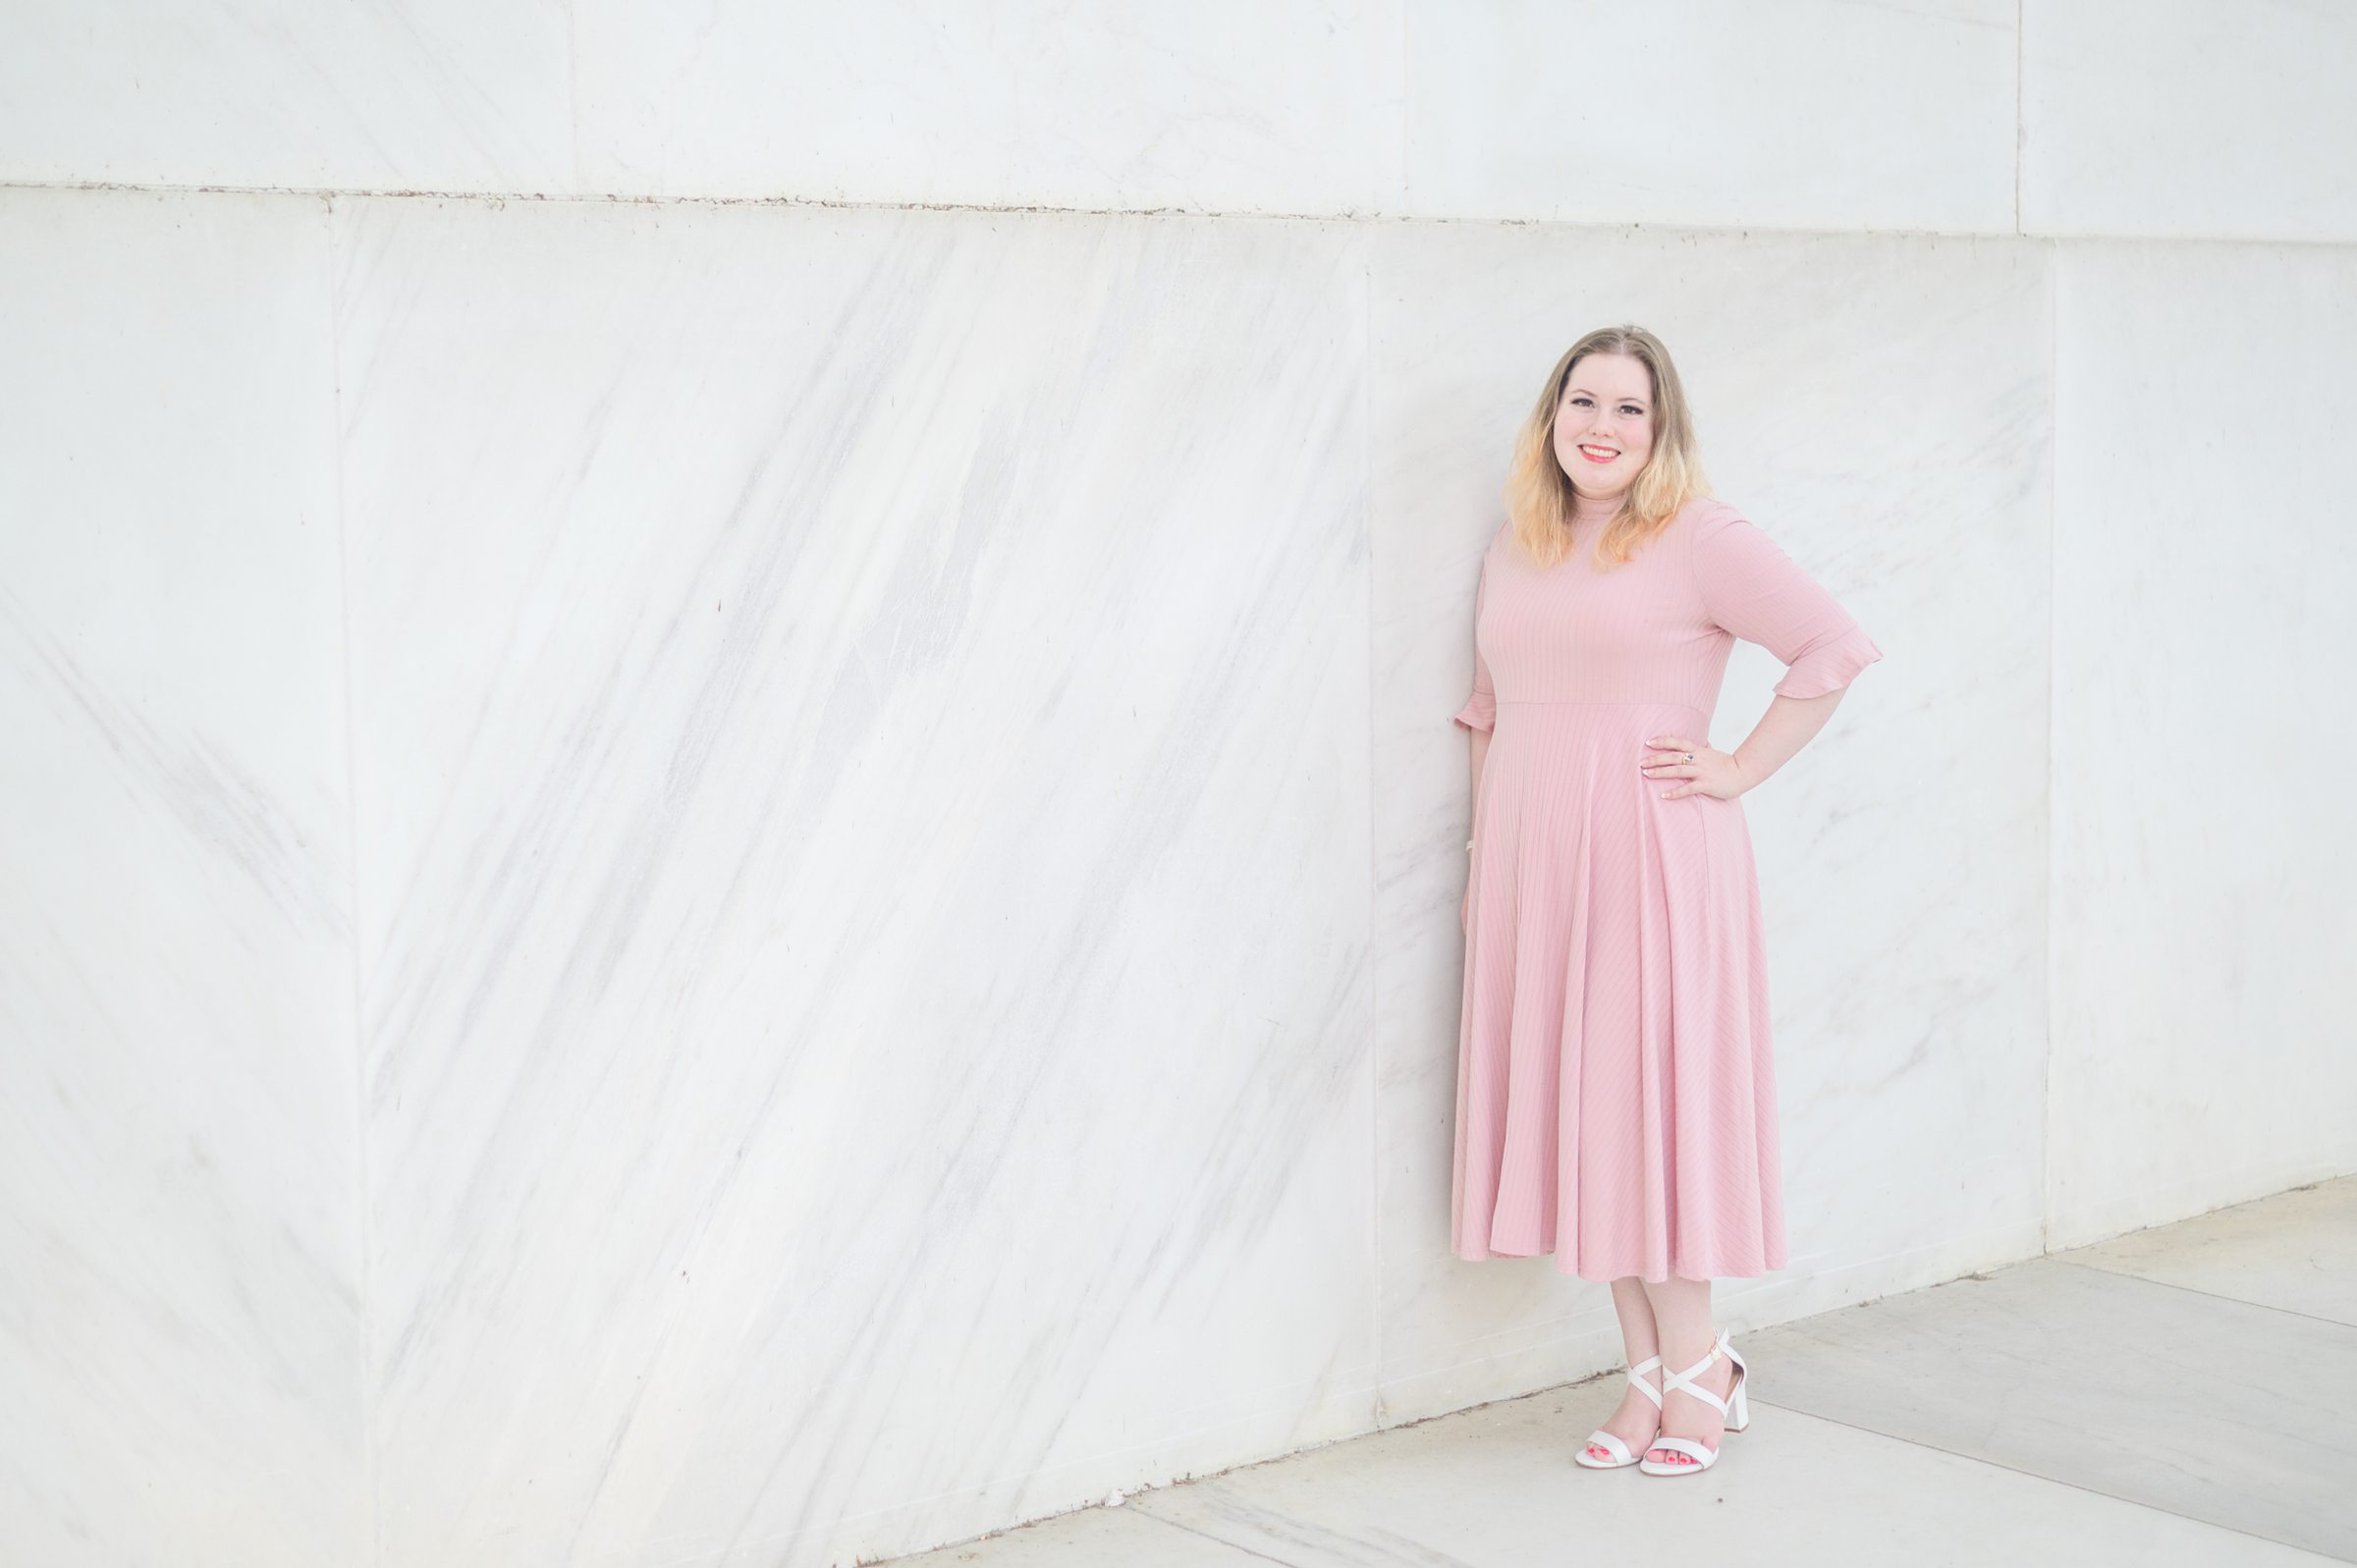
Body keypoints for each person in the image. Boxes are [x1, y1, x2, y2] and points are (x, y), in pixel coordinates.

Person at [1450, 326, 1884, 1477]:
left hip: (1651, 856)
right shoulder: (1516, 545)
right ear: (1551, 418)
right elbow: (1491, 712)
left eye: (1629, 409)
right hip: (1535, 865)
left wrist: (1736, 765)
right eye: (1580, 401)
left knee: (1644, 1112)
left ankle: (1701, 1363)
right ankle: (1649, 1376)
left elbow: (1832, 646)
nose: (1600, 425)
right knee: (1587, 1113)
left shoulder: (1699, 537)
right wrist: (1484, 854)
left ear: (1662, 430)